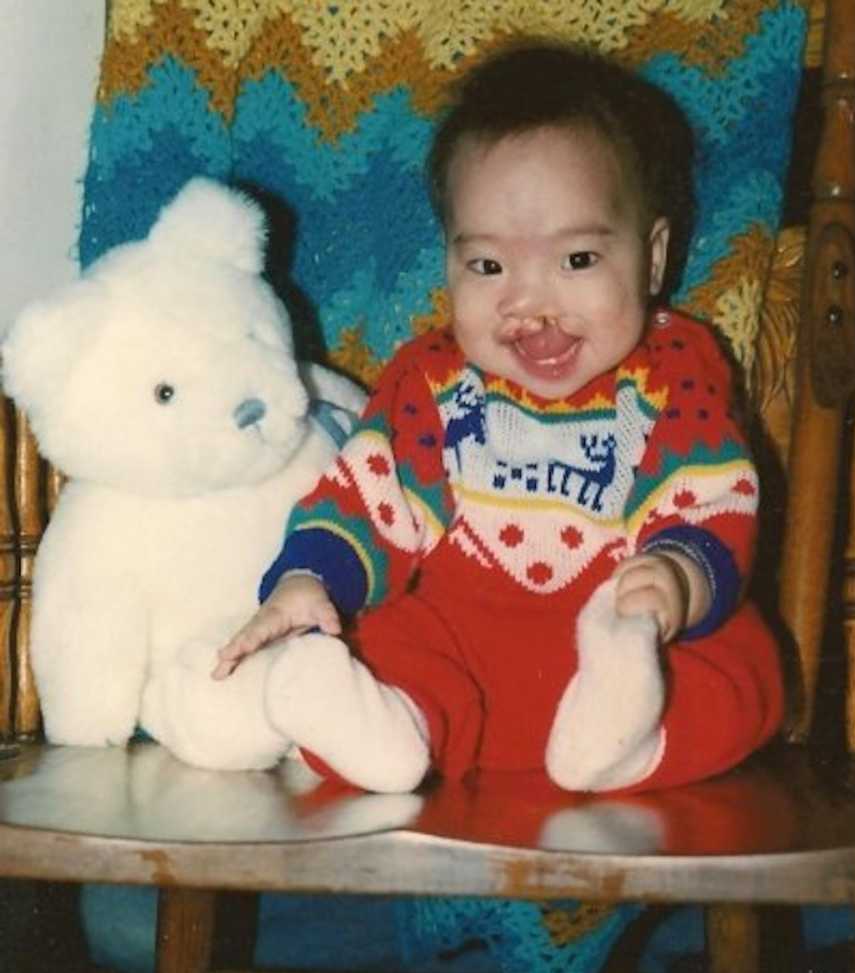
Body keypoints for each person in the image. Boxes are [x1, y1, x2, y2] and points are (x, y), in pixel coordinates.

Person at [213, 41, 784, 794]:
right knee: (381, 637)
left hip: (628, 639)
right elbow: (370, 492)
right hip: (466, 649)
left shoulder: (672, 367)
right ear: (448, 259)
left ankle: (629, 741)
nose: (530, 302)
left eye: (576, 260)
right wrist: (307, 578)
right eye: (488, 266)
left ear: (651, 258)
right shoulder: (434, 377)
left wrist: (678, 575)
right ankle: (390, 730)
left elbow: (708, 486)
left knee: (746, 665)